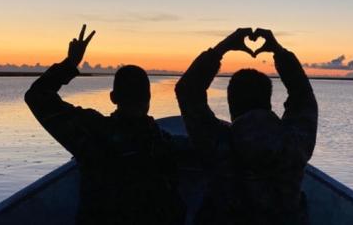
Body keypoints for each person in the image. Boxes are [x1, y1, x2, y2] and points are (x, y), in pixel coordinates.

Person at [25, 25, 185, 225]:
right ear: (149, 99)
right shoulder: (165, 143)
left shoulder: (91, 130)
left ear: (113, 97)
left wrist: (71, 63)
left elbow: (37, 96)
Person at [175, 28, 318, 225]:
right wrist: (279, 52)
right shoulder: (295, 143)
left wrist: (223, 48)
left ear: (231, 104)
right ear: (267, 102)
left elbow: (188, 90)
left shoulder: (217, 142)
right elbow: (303, 98)